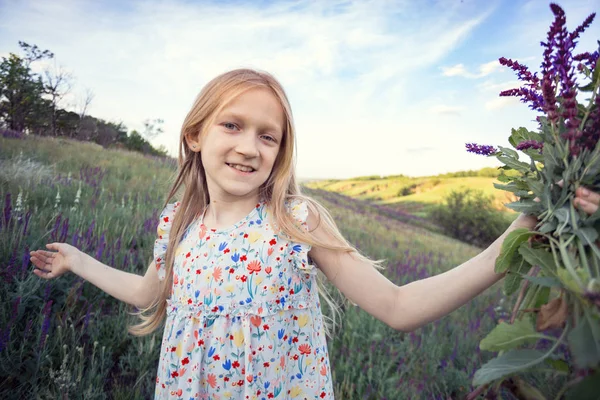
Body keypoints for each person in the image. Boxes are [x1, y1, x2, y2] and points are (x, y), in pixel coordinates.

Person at [30, 69, 600, 399]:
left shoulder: (295, 221)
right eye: (232, 125)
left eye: (268, 136)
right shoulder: (177, 221)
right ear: (196, 134)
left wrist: (521, 230)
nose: (250, 146)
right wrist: (78, 259)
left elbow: (399, 306)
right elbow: (151, 293)